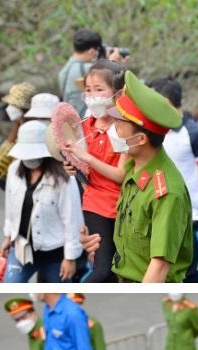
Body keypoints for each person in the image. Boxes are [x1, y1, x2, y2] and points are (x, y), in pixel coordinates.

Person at [79, 70, 193, 283]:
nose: (114, 129)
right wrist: (94, 244)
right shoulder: (132, 167)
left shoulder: (166, 192)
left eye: (119, 125)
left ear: (140, 139)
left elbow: (159, 267)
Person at [148, 76, 198, 282]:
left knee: (191, 274)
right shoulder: (155, 132)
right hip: (164, 215)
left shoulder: (194, 134)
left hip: (194, 218)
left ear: (165, 101)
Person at [62, 59, 127, 283]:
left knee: (121, 270)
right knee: (102, 270)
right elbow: (84, 172)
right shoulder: (83, 125)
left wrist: (86, 157)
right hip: (95, 204)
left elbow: (121, 175)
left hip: (125, 206)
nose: (92, 96)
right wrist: (73, 166)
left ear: (117, 94)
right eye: (88, 90)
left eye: (99, 90)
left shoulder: (124, 126)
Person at [0, 121, 84, 283]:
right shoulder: (13, 170)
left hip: (55, 256)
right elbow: (10, 207)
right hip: (20, 249)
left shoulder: (64, 179)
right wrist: (7, 236)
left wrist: (70, 257)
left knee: (56, 294)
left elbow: (72, 220)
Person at [0, 82, 37, 188]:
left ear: (22, 107)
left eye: (13, 105)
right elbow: (10, 141)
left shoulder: (30, 128)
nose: (9, 107)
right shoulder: (19, 122)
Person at [58, 28, 103, 117]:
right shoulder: (88, 69)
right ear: (91, 51)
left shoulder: (63, 71)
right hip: (84, 120)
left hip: (70, 120)